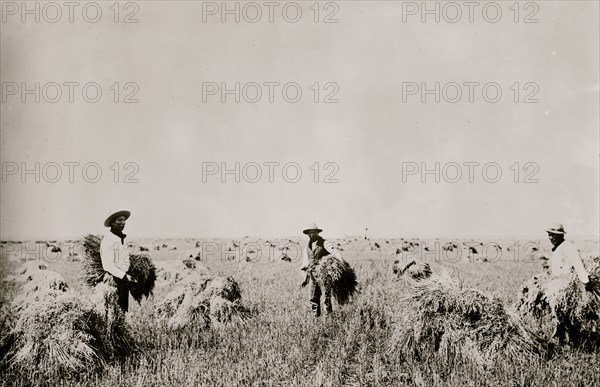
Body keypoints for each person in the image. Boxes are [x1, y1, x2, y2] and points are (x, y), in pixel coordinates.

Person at [545, 223, 592, 345]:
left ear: (561, 236)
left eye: (554, 235)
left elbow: (577, 264)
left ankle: (575, 343)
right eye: (550, 235)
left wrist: (585, 281)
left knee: (569, 316)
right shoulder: (557, 248)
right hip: (557, 286)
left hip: (567, 287)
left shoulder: (568, 247)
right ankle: (562, 341)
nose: (551, 238)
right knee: (559, 315)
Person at [300, 223, 342, 317]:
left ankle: (328, 318)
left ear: (317, 233)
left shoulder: (324, 243)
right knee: (312, 297)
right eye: (310, 233)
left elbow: (335, 253)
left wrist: (341, 264)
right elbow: (305, 264)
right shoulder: (306, 247)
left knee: (326, 297)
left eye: (314, 232)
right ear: (308, 234)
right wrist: (305, 279)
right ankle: (315, 318)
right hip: (312, 276)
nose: (312, 235)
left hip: (324, 274)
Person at [100, 210, 135, 312]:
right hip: (113, 280)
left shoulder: (120, 239)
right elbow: (107, 265)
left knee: (122, 312)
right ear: (112, 222)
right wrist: (124, 276)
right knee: (113, 312)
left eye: (124, 220)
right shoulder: (108, 240)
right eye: (119, 220)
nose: (123, 223)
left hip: (123, 280)